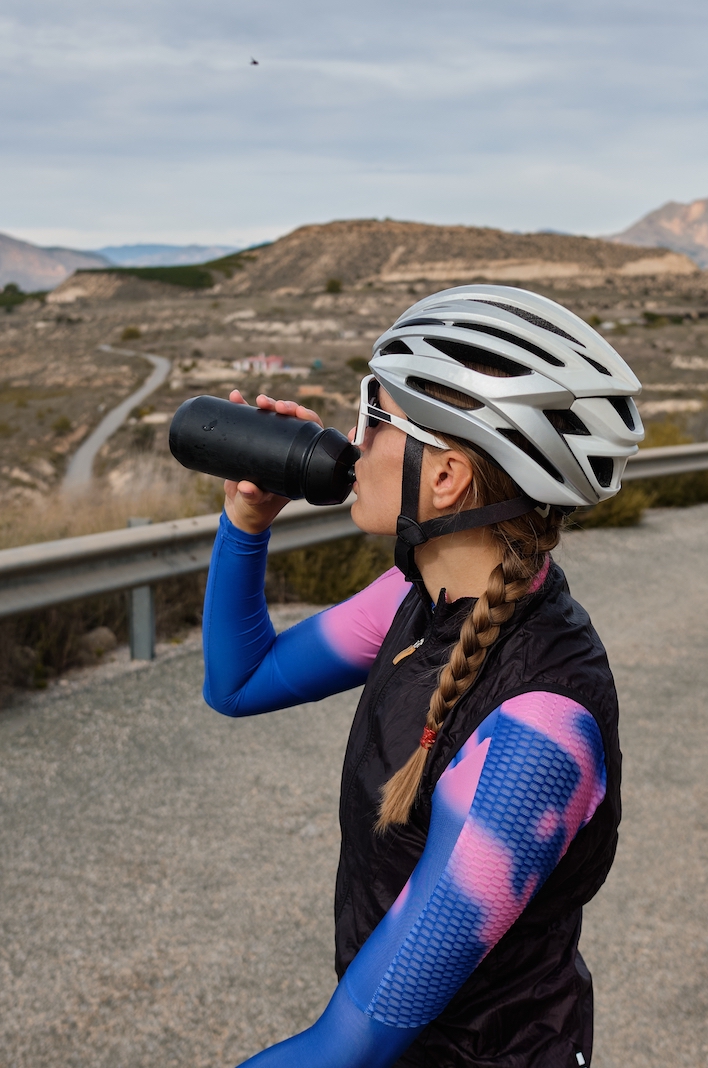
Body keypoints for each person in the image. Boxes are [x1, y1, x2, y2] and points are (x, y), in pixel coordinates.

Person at [201, 285, 645, 1067]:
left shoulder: (538, 733)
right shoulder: (421, 601)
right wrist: (247, 522)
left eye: (374, 418)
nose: (351, 439)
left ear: (445, 479)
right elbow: (238, 683)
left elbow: (348, 1046)